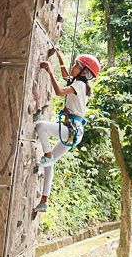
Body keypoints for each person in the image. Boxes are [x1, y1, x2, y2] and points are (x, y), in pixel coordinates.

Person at [32, 50, 100, 215]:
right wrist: (60, 57)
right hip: (75, 131)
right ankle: (44, 201)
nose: (73, 67)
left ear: (84, 72)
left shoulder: (79, 85)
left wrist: (50, 71)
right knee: (50, 164)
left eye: (77, 65)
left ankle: (47, 155)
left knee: (40, 126)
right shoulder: (79, 83)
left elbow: (59, 92)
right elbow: (65, 75)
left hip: (71, 129)